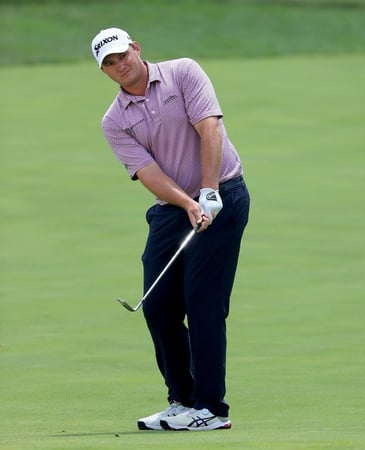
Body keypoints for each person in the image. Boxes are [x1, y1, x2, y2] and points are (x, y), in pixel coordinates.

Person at [92, 27, 250, 431]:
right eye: (109, 63)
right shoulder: (114, 121)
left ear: (136, 48)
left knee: (203, 303)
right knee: (158, 305)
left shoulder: (183, 73)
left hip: (224, 194)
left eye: (122, 55)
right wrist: (187, 202)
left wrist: (209, 192)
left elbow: (210, 129)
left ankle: (211, 408)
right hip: (172, 208)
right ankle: (182, 399)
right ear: (104, 71)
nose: (119, 65)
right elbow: (147, 172)